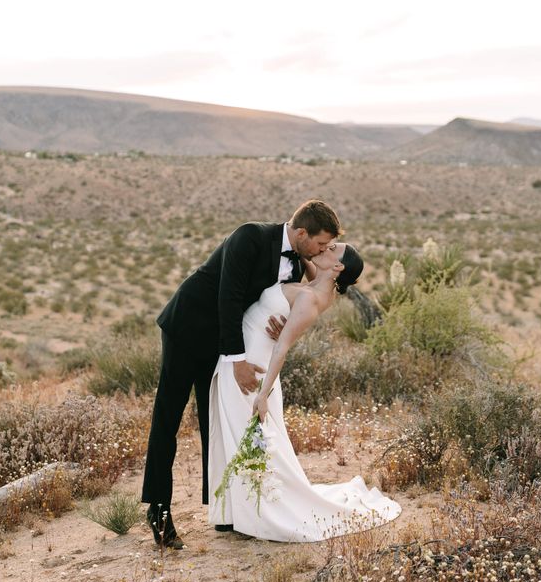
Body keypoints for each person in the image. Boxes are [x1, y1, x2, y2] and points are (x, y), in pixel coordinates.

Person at [141, 200, 341, 548]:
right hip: (189, 328)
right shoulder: (250, 236)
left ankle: (224, 510)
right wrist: (239, 360)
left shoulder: (295, 264)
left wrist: (275, 325)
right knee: (168, 418)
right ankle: (158, 510)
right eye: (321, 244)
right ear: (301, 233)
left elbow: (263, 302)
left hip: (222, 340)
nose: (322, 250)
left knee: (214, 421)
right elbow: (229, 297)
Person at [208, 242, 401, 541]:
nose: (327, 247)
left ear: (337, 267)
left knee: (251, 437)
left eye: (333, 248)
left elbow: (283, 348)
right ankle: (239, 513)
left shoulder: (312, 299)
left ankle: (260, 511)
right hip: (247, 352)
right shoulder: (315, 277)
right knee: (237, 433)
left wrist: (263, 394)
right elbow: (301, 250)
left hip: (256, 367)